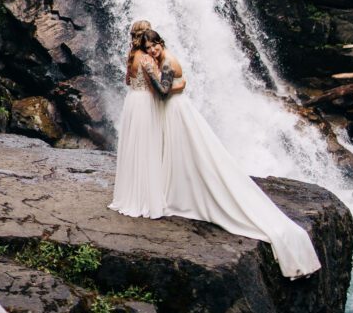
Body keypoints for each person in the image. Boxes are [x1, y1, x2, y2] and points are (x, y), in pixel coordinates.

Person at [144, 29, 321, 280]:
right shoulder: (163, 59)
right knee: (180, 153)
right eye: (148, 48)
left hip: (178, 111)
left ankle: (186, 192)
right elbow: (174, 86)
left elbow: (164, 89)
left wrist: (153, 75)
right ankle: (176, 187)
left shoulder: (169, 61)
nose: (152, 51)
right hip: (175, 111)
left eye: (154, 46)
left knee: (192, 153)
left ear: (161, 44)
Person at [108, 21, 167, 218]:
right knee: (146, 147)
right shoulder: (147, 59)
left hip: (132, 100)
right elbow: (157, 87)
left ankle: (131, 194)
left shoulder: (132, 55)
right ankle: (145, 199)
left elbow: (127, 81)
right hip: (144, 103)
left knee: (134, 147)